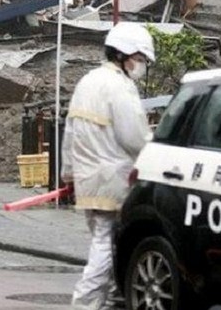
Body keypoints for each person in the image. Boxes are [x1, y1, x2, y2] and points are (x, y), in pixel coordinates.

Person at [61, 22, 155, 310]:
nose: (140, 66)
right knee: (105, 243)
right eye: (138, 59)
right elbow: (134, 138)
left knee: (110, 242)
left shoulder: (88, 81)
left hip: (89, 180)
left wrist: (68, 173)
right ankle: (86, 302)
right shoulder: (120, 87)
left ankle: (115, 298)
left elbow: (70, 132)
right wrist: (156, 152)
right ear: (122, 55)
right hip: (114, 181)